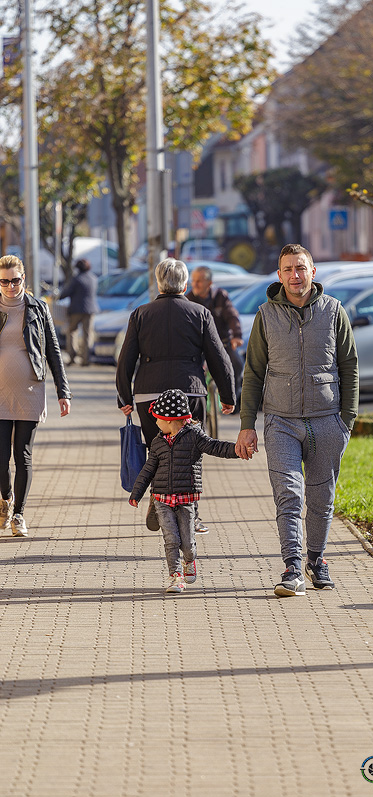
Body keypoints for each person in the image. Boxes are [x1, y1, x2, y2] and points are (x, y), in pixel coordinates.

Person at [236, 243, 359, 597]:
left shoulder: (333, 311)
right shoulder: (265, 315)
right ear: (279, 275)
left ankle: (316, 560)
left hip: (327, 422)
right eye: (288, 269)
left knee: (321, 498)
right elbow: (253, 372)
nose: (295, 275)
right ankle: (292, 567)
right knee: (289, 494)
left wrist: (346, 421)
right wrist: (247, 425)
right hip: (281, 422)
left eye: (301, 268)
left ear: (313, 272)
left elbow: (349, 366)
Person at [116, 258, 236, 534]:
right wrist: (228, 395)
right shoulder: (200, 313)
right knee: (190, 452)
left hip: (149, 394)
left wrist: (124, 396)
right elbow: (218, 357)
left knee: (156, 450)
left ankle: (159, 500)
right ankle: (191, 514)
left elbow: (126, 360)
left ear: (158, 283)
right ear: (184, 284)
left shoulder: (140, 314)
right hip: (189, 391)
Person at [128, 389, 252, 593]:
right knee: (171, 539)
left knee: (187, 542)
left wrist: (237, 450)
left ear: (169, 420)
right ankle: (176, 576)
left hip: (186, 497)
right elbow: (148, 469)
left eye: (157, 418)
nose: (155, 423)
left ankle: (189, 560)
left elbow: (215, 447)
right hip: (161, 498)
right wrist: (136, 493)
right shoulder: (158, 442)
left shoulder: (194, 436)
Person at [0, 255, 71, 537]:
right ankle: (6, 499)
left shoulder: (38, 308)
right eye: (4, 281)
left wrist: (63, 391)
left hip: (30, 391)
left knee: (23, 454)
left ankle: (19, 515)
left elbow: (53, 350)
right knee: (1, 457)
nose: (10, 286)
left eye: (15, 280)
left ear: (23, 279)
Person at [186, 266, 244, 405]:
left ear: (209, 283)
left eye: (199, 281)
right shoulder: (188, 299)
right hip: (198, 345)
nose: (195, 284)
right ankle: (197, 402)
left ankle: (233, 398)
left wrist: (236, 336)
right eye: (193, 280)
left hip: (221, 342)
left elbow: (232, 316)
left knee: (236, 364)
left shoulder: (220, 296)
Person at [59, 258, 99, 366]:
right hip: (90, 310)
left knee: (72, 332)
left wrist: (59, 296)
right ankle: (86, 358)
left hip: (76, 310)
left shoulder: (76, 279)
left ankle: (72, 356)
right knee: (88, 334)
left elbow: (66, 292)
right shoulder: (94, 278)